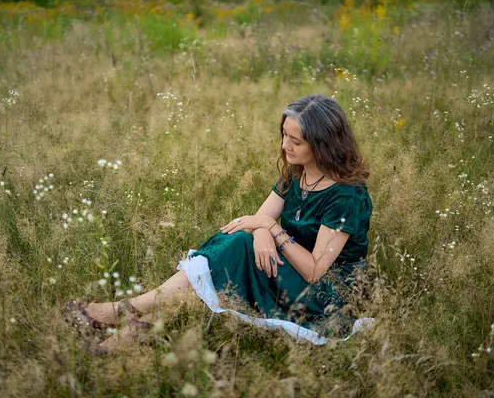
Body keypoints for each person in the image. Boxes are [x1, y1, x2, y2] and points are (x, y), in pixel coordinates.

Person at [65, 94, 372, 352]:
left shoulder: (347, 196)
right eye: (283, 135)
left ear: (322, 145)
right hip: (290, 269)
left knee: (235, 249)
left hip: (327, 294)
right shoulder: (298, 173)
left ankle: (122, 312)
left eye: (295, 141)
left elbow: (316, 270)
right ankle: (138, 326)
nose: (285, 146)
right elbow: (255, 220)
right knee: (235, 248)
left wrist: (272, 229)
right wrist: (262, 230)